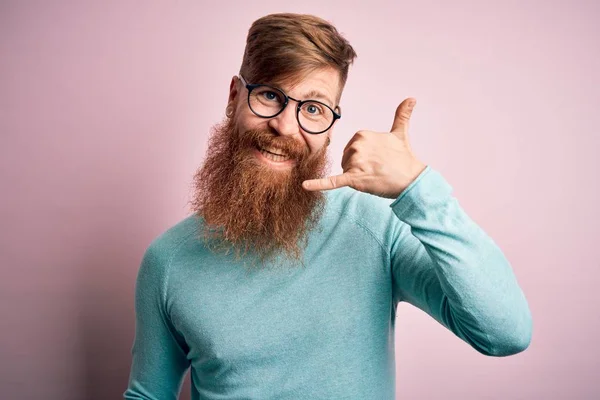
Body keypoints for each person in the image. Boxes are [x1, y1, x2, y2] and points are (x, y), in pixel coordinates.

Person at [124, 12, 532, 400]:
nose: (284, 126)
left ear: (331, 127)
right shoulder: (167, 262)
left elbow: (504, 334)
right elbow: (148, 393)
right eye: (268, 95)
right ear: (235, 97)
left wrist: (418, 188)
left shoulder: (376, 228)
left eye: (313, 109)